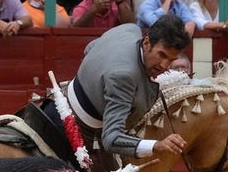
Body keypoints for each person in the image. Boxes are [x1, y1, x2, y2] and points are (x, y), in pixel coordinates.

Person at [66, 15, 191, 158]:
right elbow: (111, 138)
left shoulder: (129, 29)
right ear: (146, 43)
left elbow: (90, 48)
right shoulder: (125, 76)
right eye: (161, 55)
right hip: (81, 128)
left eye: (171, 60)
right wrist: (157, 145)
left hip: (67, 95)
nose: (164, 65)